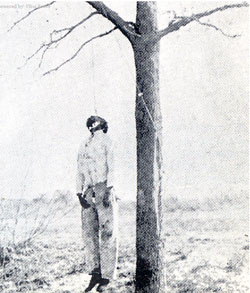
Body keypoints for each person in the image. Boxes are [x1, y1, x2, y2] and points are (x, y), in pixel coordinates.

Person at [76, 115, 118, 292]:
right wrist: (79, 192)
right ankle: (94, 273)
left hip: (104, 188)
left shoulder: (107, 141)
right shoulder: (84, 144)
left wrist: (109, 189)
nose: (92, 124)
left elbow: (113, 166)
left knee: (108, 232)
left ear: (102, 124)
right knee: (89, 233)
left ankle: (107, 277)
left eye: (96, 122)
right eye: (90, 123)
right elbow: (79, 169)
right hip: (88, 190)